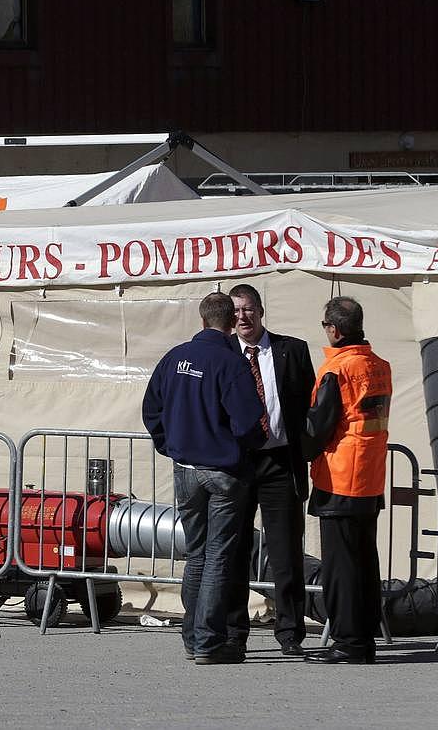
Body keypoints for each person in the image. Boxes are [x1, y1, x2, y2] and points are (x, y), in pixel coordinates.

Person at [143, 292, 267, 665]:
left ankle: (192, 636)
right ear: (231, 322)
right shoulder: (230, 364)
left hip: (187, 469)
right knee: (218, 557)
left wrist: (171, 444)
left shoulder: (175, 357)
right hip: (223, 470)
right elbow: (249, 421)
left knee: (196, 554)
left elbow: (152, 409)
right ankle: (207, 641)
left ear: (201, 321)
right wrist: (246, 448)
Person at [226, 284, 315, 657]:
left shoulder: (291, 349)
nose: (243, 317)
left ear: (261, 311)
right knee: (234, 550)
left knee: (286, 552)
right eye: (236, 312)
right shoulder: (223, 352)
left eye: (248, 309)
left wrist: (309, 451)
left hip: (281, 462)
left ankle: (290, 632)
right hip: (239, 463)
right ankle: (233, 631)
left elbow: (311, 403)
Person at [301, 296, 391, 665]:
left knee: (341, 567)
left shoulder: (338, 369)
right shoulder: (378, 365)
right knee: (364, 561)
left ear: (333, 330)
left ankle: (348, 641)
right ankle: (362, 638)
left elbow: (318, 425)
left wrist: (294, 445)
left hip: (340, 477)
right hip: (369, 475)